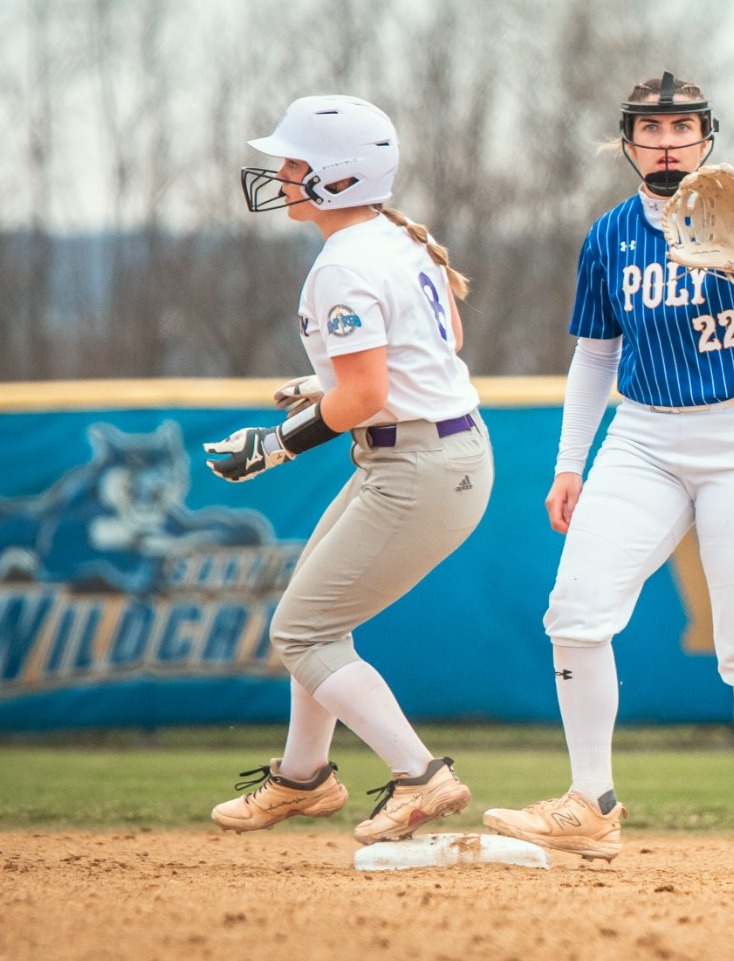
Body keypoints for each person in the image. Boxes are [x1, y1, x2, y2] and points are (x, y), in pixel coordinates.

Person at [482, 72, 734, 875]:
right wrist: (572, 463)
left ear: (707, 136)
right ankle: (590, 803)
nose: (666, 143)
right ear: (627, 142)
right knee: (574, 611)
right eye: (650, 130)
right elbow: (595, 353)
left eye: (681, 129)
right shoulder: (608, 235)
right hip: (642, 438)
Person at [204, 94, 493, 846]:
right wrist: (325, 381)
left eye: (296, 163)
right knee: (317, 615)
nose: (282, 174)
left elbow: (366, 393)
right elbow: (443, 339)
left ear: (336, 177)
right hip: (429, 451)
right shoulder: (396, 239)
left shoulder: (344, 264)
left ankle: (419, 773)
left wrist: (275, 443)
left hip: (420, 463)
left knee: (301, 631)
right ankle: (304, 777)